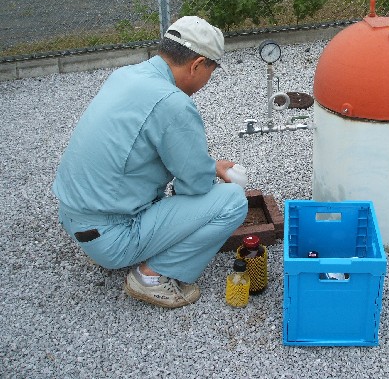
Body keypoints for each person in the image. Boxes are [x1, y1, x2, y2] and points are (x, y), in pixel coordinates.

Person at [53, 16, 248, 309]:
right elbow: (194, 185)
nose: (209, 80)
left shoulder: (126, 75)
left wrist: (209, 165)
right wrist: (207, 175)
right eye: (212, 70)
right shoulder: (174, 103)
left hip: (74, 217)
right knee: (233, 201)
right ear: (196, 65)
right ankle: (152, 277)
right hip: (111, 238)